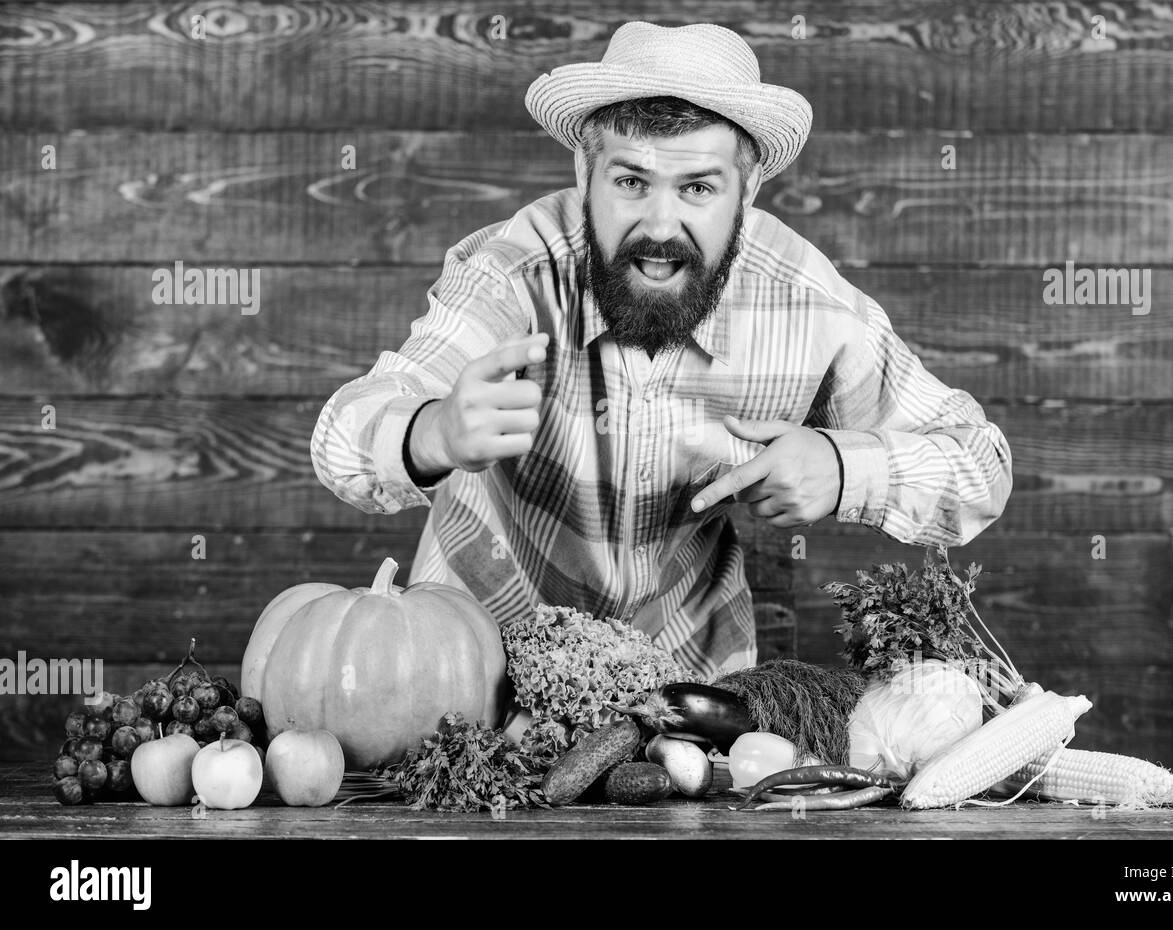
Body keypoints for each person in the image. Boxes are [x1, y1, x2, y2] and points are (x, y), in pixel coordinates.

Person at [311, 22, 1013, 677]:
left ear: (748, 192)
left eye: (699, 188)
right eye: (631, 182)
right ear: (584, 177)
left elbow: (981, 464)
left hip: (684, 696)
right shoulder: (515, 274)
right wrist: (432, 431)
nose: (660, 225)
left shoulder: (808, 305)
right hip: (467, 665)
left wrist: (842, 467)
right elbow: (344, 433)